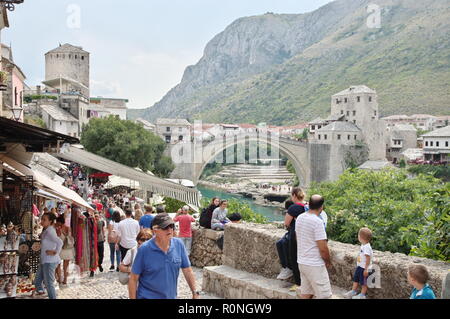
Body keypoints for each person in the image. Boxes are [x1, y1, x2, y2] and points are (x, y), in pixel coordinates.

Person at [128, 213, 200, 299]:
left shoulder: (179, 244)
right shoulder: (144, 249)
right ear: (155, 230)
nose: (170, 230)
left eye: (171, 226)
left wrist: (195, 292)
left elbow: (188, 270)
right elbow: (133, 278)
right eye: (165, 227)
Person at [296, 195, 333, 299]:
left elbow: (297, 237)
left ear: (309, 204)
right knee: (325, 296)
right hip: (315, 265)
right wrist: (328, 261)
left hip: (302, 262)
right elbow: (323, 248)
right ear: (321, 207)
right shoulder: (317, 222)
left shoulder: (300, 217)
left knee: (306, 294)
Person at [33, 213, 63, 299]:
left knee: (49, 283)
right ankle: (41, 293)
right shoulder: (46, 230)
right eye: (41, 219)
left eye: (44, 220)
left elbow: (60, 242)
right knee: (37, 281)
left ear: (50, 221)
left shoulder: (50, 231)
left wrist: (55, 252)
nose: (42, 221)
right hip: (44, 260)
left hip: (50, 261)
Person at [285, 188, 307, 291]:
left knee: (294, 259)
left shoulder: (293, 208)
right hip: (306, 236)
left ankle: (299, 284)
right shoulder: (307, 206)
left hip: (295, 236)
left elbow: (286, 223)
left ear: (294, 195)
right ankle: (307, 283)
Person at [344, 227, 374, 299]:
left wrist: (366, 269)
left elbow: (368, 258)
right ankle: (353, 291)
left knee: (364, 282)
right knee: (356, 279)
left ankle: (362, 295)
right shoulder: (363, 245)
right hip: (360, 266)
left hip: (364, 268)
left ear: (360, 237)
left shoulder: (367, 247)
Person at [276, 200, 294, 280]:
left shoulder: (293, 210)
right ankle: (285, 267)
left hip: (294, 233)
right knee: (279, 243)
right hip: (291, 232)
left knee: (284, 243)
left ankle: (289, 267)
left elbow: (286, 224)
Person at [55, 215, 74, 285]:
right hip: (68, 249)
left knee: (58, 265)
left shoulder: (58, 229)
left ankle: (59, 279)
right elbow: (71, 236)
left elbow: (57, 239)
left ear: (59, 222)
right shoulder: (68, 228)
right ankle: (65, 279)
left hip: (60, 250)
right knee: (66, 265)